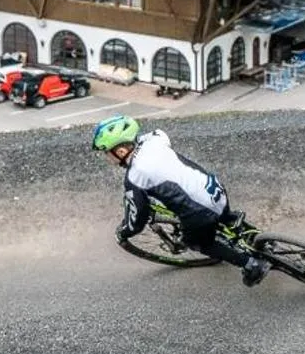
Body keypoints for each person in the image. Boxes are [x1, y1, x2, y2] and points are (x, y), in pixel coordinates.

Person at [94, 115, 268, 286]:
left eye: (107, 153)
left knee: (198, 242)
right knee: (224, 215)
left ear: (121, 151)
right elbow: (155, 139)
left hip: (201, 214)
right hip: (214, 188)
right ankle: (260, 238)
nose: (107, 158)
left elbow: (137, 220)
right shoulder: (156, 139)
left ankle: (250, 264)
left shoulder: (135, 176)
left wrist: (124, 232)